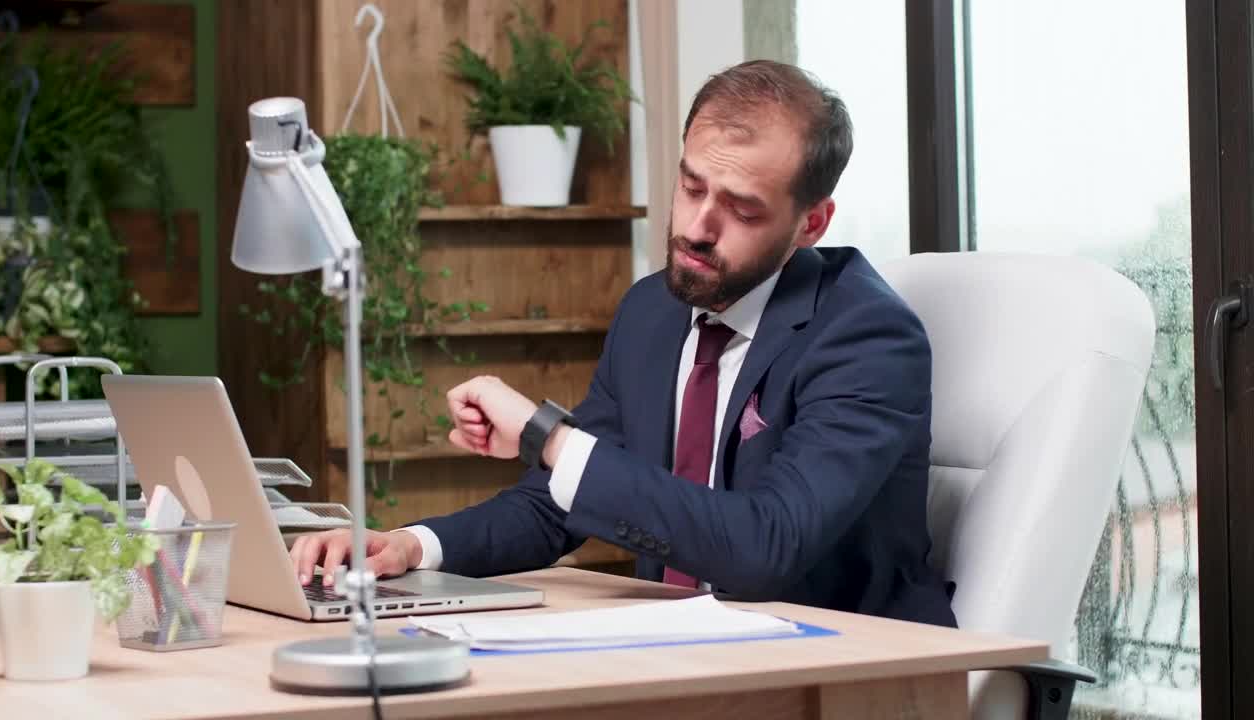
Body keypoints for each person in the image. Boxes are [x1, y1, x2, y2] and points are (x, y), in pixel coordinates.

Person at [290, 59, 957, 627]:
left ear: (811, 224)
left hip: (847, 662)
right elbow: (559, 502)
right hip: (678, 648)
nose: (698, 227)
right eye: (691, 186)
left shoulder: (867, 337)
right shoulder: (653, 311)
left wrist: (547, 435)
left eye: (742, 209)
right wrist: (413, 546)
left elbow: (765, 546)